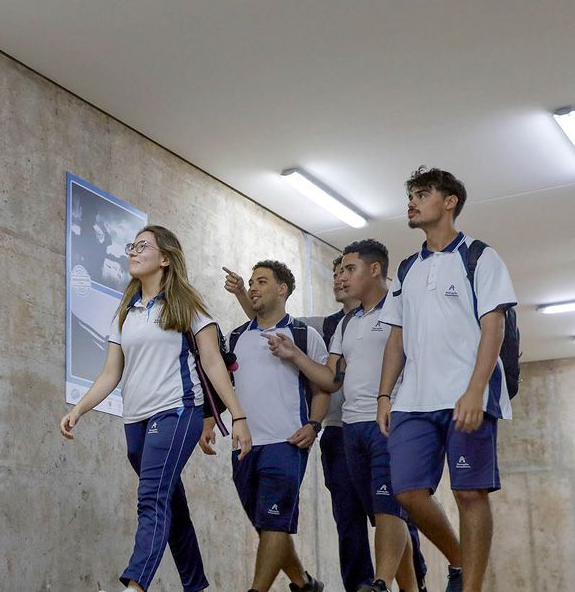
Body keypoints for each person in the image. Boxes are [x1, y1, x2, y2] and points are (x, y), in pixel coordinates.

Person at [60, 225, 252, 592]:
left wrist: (238, 417)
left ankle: (135, 585)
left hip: (178, 412)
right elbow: (110, 373)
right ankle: (196, 585)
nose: (133, 251)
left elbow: (212, 363)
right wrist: (79, 409)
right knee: (169, 502)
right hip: (135, 419)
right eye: (132, 246)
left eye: (143, 246)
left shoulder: (188, 307)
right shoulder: (126, 312)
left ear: (165, 259)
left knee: (150, 498)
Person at [377, 168, 517, 592]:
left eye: (422, 194)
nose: (412, 203)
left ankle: (470, 587)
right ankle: (459, 560)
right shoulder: (406, 269)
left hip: (465, 395)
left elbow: (493, 327)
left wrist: (475, 389)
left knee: (470, 494)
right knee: (407, 491)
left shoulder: (480, 256)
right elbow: (396, 337)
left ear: (450, 201)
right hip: (412, 399)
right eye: (411, 196)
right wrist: (385, 393)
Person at [206, 260, 329, 592]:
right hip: (244, 446)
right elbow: (223, 386)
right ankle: (304, 584)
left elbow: (322, 389)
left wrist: (314, 425)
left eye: (261, 281)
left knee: (274, 521)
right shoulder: (235, 337)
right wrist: (208, 420)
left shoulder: (304, 334)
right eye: (251, 282)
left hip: (286, 443)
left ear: (282, 289)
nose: (253, 287)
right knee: (269, 525)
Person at [329, 240, 425, 592]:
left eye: (349, 269)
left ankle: (380, 582)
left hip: (390, 421)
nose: (342, 277)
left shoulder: (402, 307)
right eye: (340, 271)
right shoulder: (348, 322)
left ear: (374, 269)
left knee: (389, 507)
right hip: (351, 429)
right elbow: (329, 377)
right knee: (383, 512)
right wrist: (293, 354)